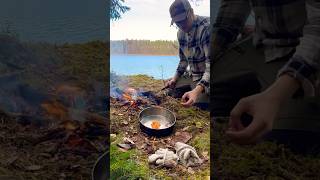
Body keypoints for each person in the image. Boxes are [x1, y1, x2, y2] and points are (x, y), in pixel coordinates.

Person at [211, 0, 320, 144]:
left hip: (304, 46)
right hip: (260, 42)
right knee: (208, 97)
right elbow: (229, 17)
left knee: (283, 139)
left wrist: (275, 96)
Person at [165, 0, 210, 108]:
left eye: (183, 20)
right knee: (171, 92)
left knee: (196, 104)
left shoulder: (206, 29)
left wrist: (196, 91)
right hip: (193, 75)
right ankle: (193, 90)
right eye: (177, 23)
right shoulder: (180, 33)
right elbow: (183, 61)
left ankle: (200, 95)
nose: (181, 25)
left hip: (208, 78)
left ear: (191, 12)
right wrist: (174, 79)